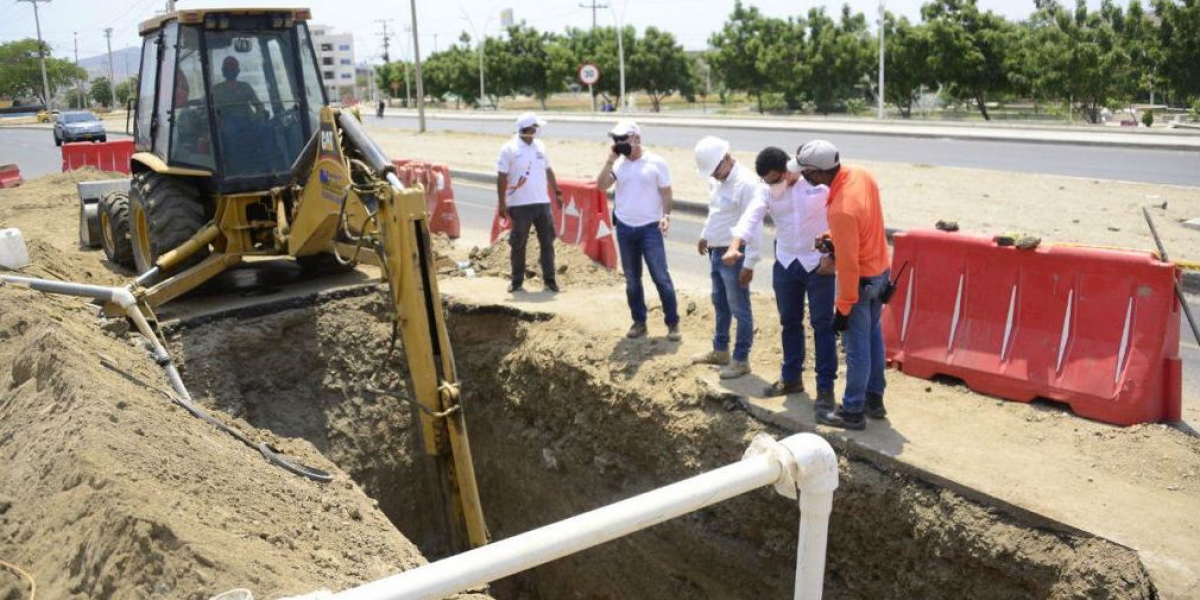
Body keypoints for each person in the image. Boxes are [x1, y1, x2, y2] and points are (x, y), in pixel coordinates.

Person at [723, 147, 837, 403]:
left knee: (823, 325)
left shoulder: (817, 184)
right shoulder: (765, 190)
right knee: (790, 322)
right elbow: (751, 218)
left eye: (774, 179)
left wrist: (834, 255)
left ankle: (825, 388)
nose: (770, 185)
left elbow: (838, 216)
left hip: (819, 264)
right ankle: (791, 377)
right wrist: (734, 246)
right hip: (787, 263)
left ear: (787, 171)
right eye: (766, 181)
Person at [792, 140, 890, 431]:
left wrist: (843, 307)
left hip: (860, 281)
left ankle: (852, 411)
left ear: (818, 172)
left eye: (806, 172)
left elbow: (847, 265)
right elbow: (866, 225)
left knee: (856, 347)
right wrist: (833, 237)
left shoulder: (841, 209)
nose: (803, 177)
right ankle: (875, 400)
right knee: (873, 338)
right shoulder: (862, 175)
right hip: (880, 271)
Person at [597, 120, 680, 340]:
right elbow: (601, 186)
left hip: (650, 229)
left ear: (636, 138)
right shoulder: (618, 164)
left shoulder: (656, 162)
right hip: (624, 228)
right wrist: (609, 161)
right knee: (632, 279)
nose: (617, 143)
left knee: (660, 277)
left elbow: (666, 192)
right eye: (615, 139)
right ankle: (639, 322)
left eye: (621, 139)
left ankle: (672, 324)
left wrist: (666, 216)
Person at [691, 136, 757, 379]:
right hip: (715, 251)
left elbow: (753, 227)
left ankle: (741, 359)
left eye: (715, 170)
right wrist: (705, 234)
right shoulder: (718, 180)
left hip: (734, 255)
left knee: (740, 308)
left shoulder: (746, 183)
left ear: (727, 158)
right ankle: (720, 350)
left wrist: (748, 263)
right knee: (720, 302)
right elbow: (715, 212)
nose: (713, 176)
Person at [496, 111, 563, 293]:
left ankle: (550, 280)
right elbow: (501, 177)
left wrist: (557, 191)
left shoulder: (540, 146)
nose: (537, 130)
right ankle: (517, 281)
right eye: (535, 127)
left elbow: (548, 170)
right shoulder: (509, 149)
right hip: (519, 205)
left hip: (542, 203)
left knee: (547, 242)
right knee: (518, 244)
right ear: (527, 128)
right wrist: (502, 204)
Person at [211, 56, 264, 122]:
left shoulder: (245, 87)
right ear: (223, 70)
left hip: (248, 124)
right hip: (226, 127)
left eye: (232, 67)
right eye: (227, 67)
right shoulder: (216, 90)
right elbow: (212, 110)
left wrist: (256, 118)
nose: (230, 69)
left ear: (238, 71)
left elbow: (259, 105)